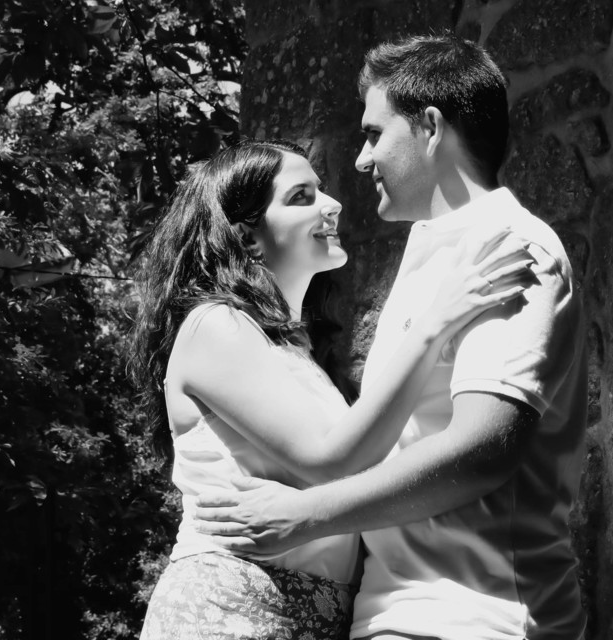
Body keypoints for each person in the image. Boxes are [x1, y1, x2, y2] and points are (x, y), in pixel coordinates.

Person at [195, 36, 590, 639]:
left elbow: (484, 449)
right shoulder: (432, 251)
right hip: (400, 615)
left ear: (430, 128)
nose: (361, 160)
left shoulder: (510, 247)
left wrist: (304, 516)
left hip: (476, 619)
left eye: (374, 134)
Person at [127, 138, 535, 639]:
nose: (333, 203)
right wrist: (435, 323)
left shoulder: (296, 355)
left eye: (320, 190)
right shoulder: (214, 325)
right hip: (229, 606)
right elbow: (332, 461)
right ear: (249, 238)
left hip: (315, 614)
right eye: (301, 196)